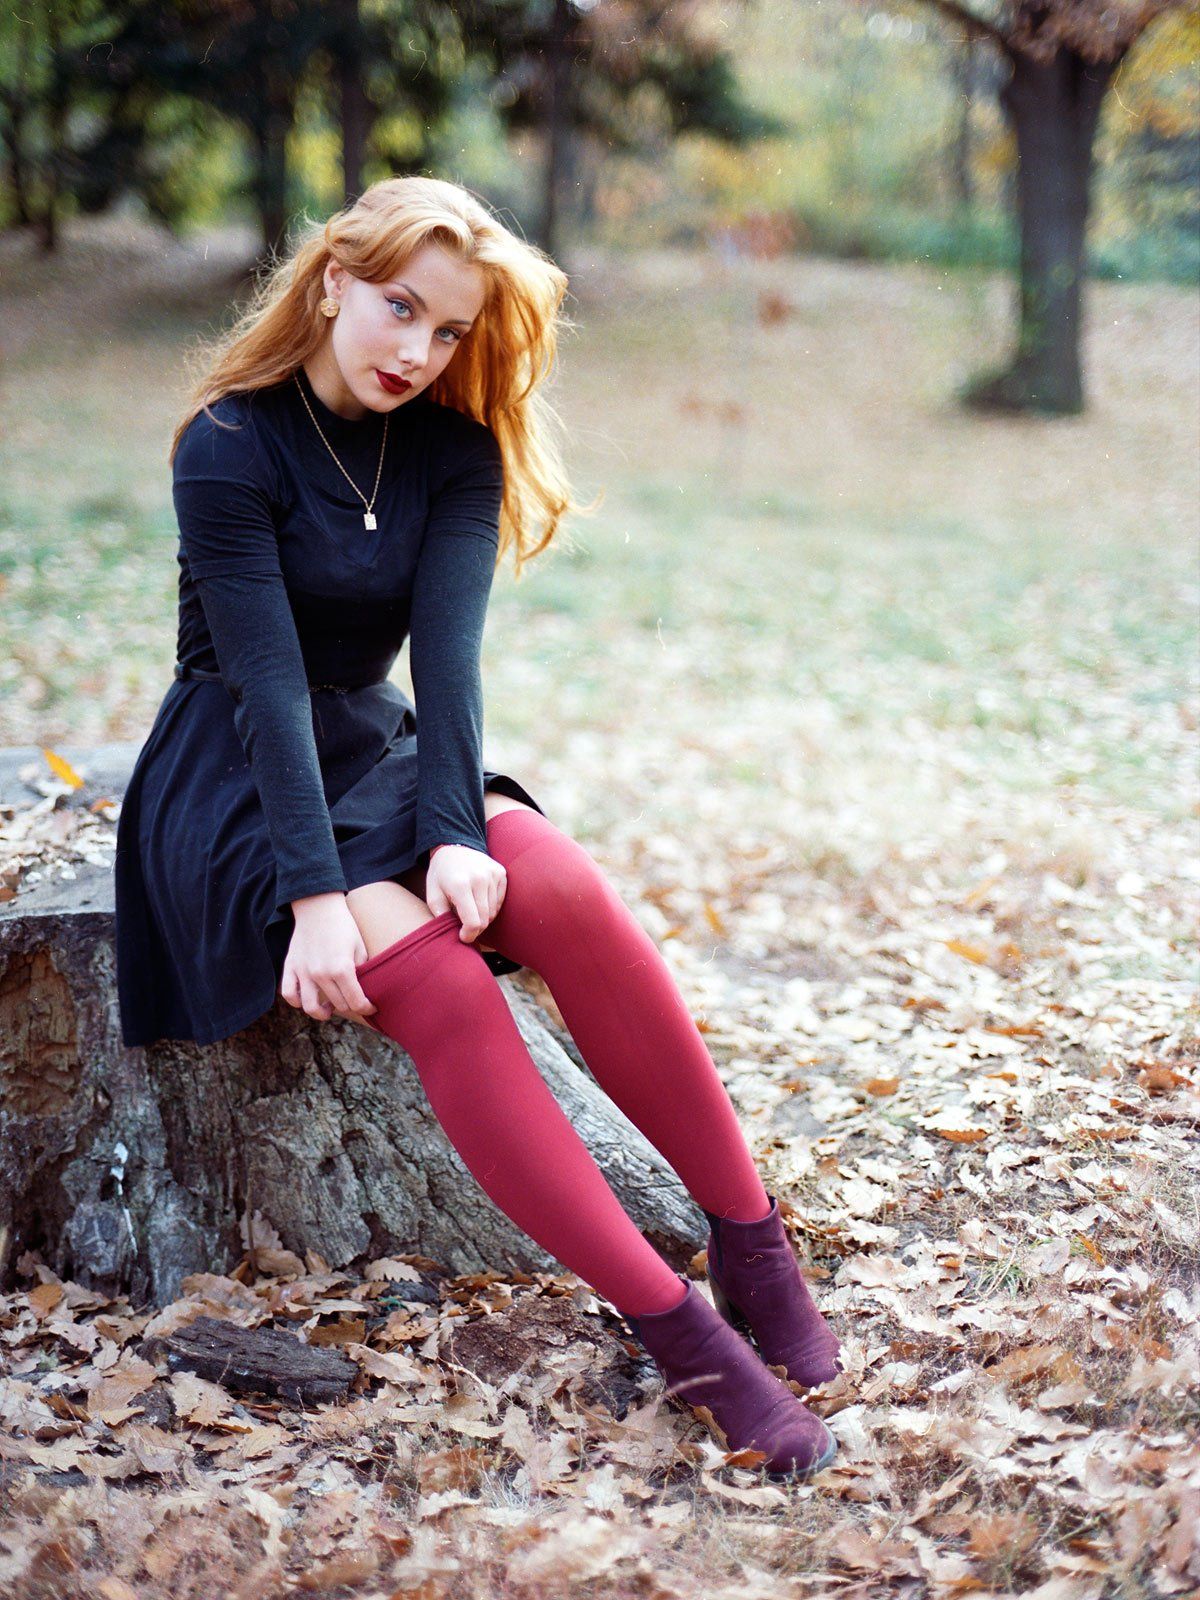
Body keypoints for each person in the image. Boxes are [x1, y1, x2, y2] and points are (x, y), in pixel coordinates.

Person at [113, 174, 843, 1478]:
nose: (418, 350)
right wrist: (317, 900)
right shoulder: (227, 444)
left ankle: (751, 1240)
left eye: (448, 330)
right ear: (334, 280)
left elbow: (446, 663)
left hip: (376, 745)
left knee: (554, 884)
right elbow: (267, 685)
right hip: (234, 778)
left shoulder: (453, 449)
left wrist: (457, 827)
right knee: (441, 981)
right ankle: (681, 1335)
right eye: (401, 308)